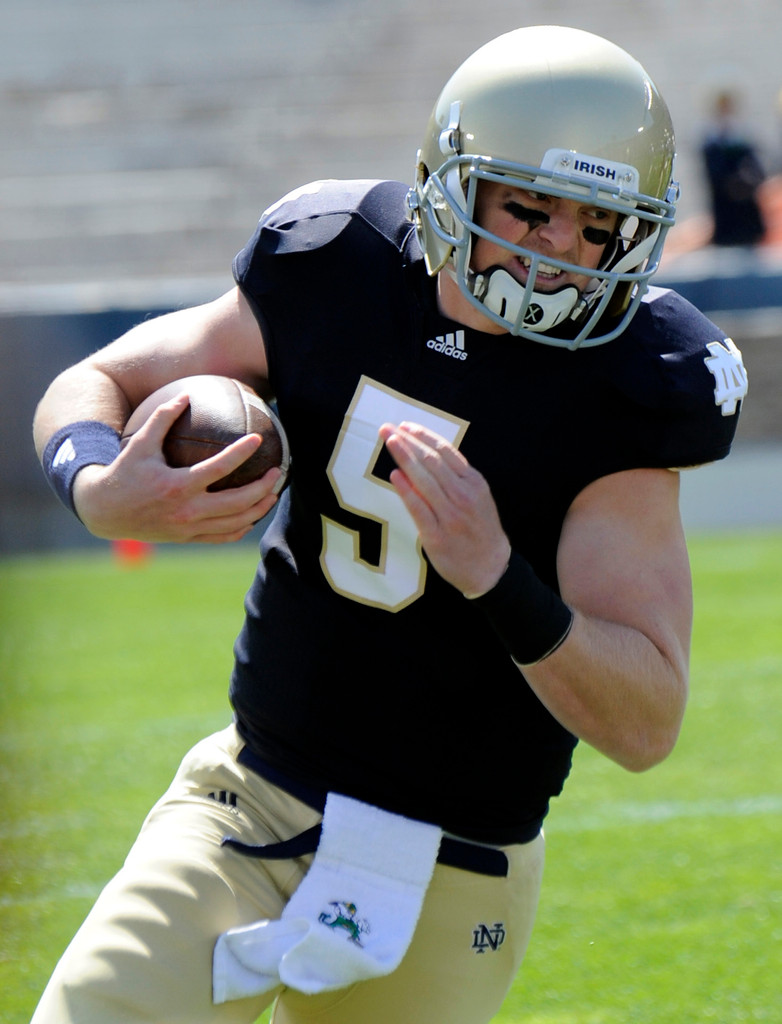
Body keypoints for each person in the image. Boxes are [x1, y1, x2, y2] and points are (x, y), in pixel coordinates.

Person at [32, 25, 748, 1024]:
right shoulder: (337, 257)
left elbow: (643, 721)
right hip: (249, 803)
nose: (553, 253)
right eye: (527, 208)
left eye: (592, 225)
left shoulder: (634, 379)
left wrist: (496, 574)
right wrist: (99, 486)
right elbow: (96, 378)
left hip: (459, 868)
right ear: (448, 178)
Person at [701, 89, 767, 246]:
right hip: (725, 223)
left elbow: (759, 174)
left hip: (748, 223)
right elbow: (716, 178)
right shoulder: (712, 145)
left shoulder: (745, 141)